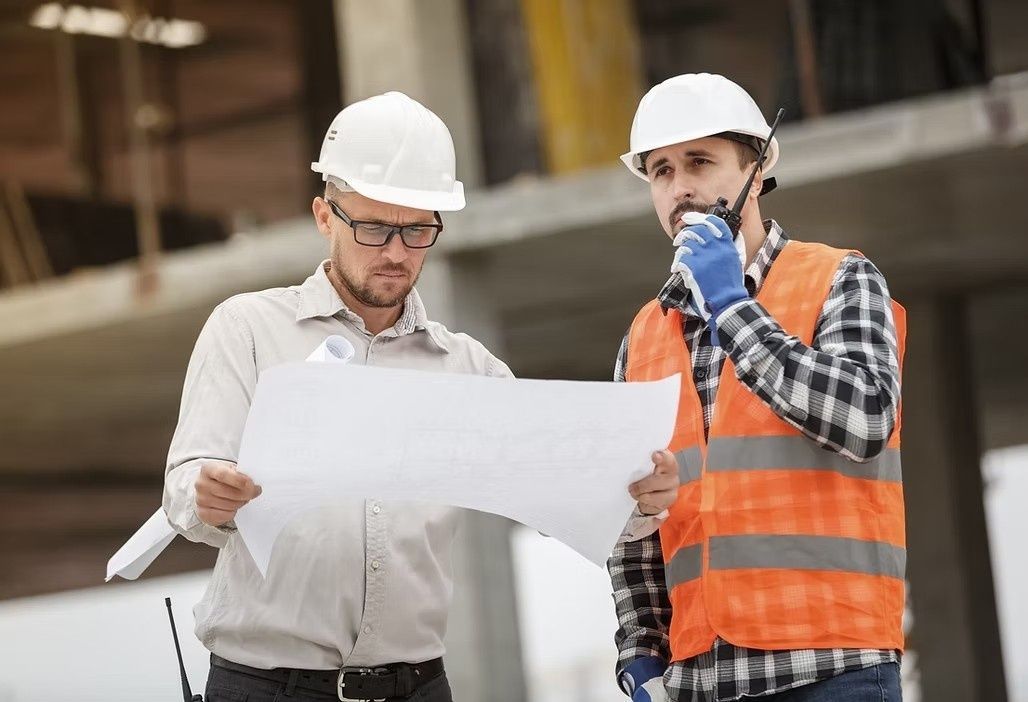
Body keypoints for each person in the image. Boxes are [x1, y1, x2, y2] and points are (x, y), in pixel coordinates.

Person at [162, 91, 679, 702]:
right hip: (266, 686)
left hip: (418, 686)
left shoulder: (467, 369)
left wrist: (638, 499)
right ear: (325, 215)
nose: (397, 253)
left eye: (418, 230)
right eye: (375, 226)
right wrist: (209, 493)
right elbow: (183, 491)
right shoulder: (246, 330)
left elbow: (565, 497)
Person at [607, 73, 907, 702]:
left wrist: (730, 305)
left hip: (833, 669)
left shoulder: (839, 279)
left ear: (755, 169)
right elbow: (632, 521)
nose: (680, 186)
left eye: (700, 162)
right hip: (700, 680)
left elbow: (864, 418)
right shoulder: (643, 337)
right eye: (661, 171)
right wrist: (639, 650)